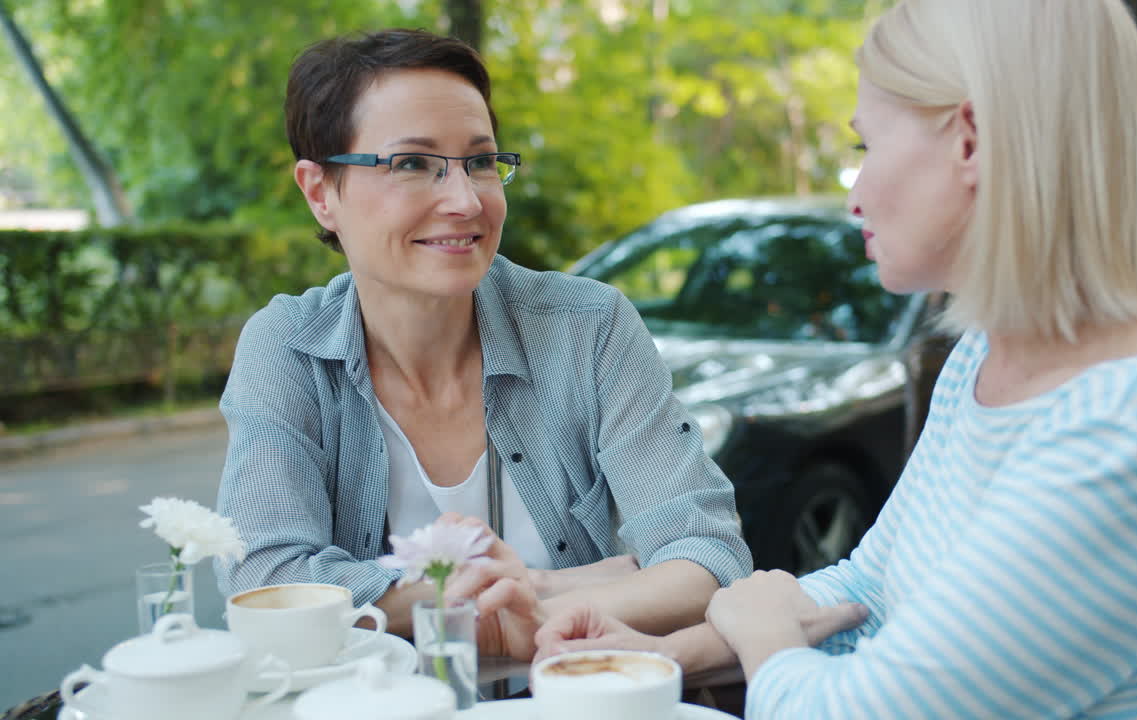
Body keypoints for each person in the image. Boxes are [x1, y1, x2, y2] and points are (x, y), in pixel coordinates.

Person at [535, 0, 1137, 717]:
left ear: (972, 140)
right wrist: (663, 655)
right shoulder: (988, 355)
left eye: (865, 146)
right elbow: (871, 587)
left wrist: (755, 620)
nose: (854, 194)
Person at [213, 28, 752, 654]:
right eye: (412, 163)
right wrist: (487, 593)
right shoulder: (288, 348)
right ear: (319, 193)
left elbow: (707, 557)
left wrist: (537, 590)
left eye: (479, 162)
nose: (465, 200)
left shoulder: (587, 327)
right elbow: (266, 582)